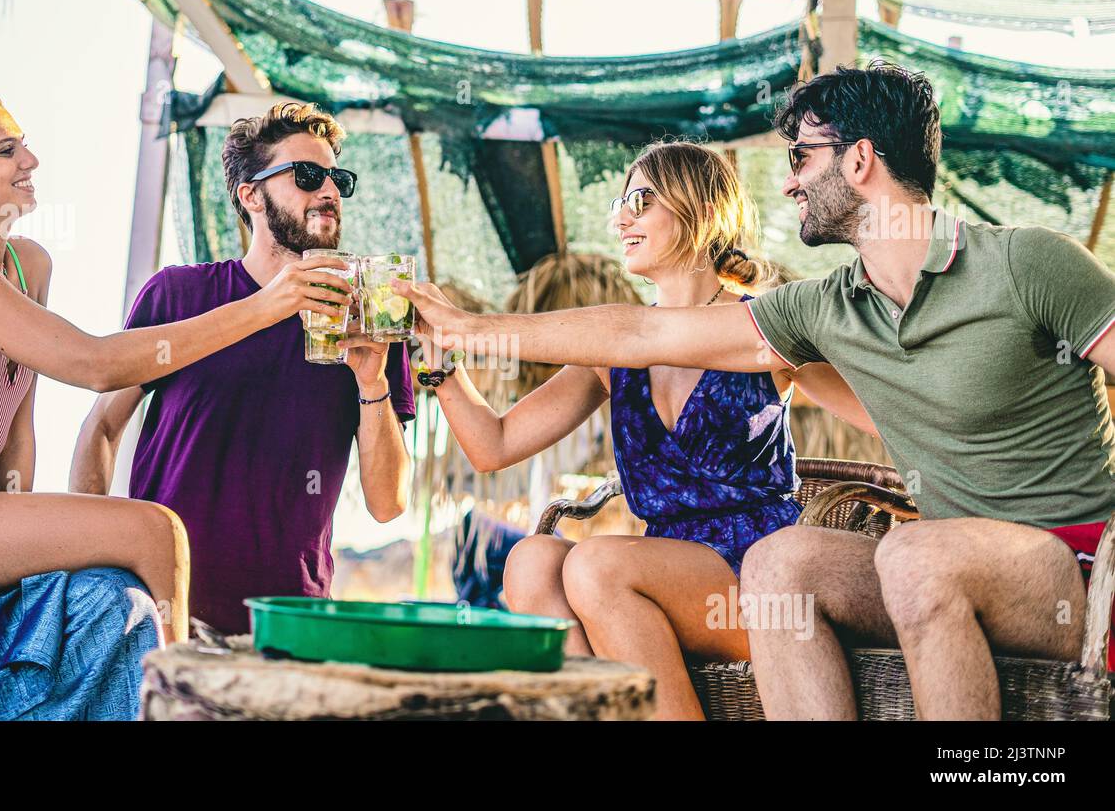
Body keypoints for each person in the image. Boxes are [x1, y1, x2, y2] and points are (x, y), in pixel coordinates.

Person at [393, 61, 1115, 720]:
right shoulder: (822, 309)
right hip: (927, 564)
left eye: (802, 157)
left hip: (1067, 570)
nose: (790, 180)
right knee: (781, 561)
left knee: (912, 552)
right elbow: (638, 338)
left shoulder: (1031, 264)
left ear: (860, 158)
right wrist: (460, 334)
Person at [0, 91, 354, 720]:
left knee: (108, 597)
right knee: (154, 530)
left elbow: (17, 439)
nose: (32, 159)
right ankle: (183, 707)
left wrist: (20, 549)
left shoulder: (29, 265)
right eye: (7, 149)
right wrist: (267, 307)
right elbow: (95, 365)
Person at [410, 140, 874, 719]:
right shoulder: (615, 351)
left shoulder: (762, 327)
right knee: (530, 562)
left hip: (755, 583)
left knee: (596, 564)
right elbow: (493, 445)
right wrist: (439, 363)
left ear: (699, 209)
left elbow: (881, 413)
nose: (619, 216)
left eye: (640, 198)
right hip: (653, 574)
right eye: (620, 201)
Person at [70, 102, 415, 635]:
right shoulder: (179, 293)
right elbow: (102, 427)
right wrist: (89, 571)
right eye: (306, 175)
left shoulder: (369, 313)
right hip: (156, 614)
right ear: (250, 195)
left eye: (336, 179)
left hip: (287, 625)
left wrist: (372, 383)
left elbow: (389, 504)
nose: (327, 191)